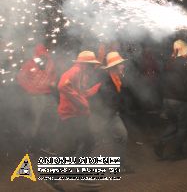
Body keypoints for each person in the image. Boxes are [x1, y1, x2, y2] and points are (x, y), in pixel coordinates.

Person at [46, 51, 101, 191]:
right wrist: (83, 102)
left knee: (81, 144)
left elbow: (79, 92)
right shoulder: (75, 71)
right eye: (91, 64)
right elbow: (62, 86)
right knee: (84, 143)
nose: (93, 67)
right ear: (85, 64)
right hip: (71, 116)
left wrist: (93, 90)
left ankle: (60, 175)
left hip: (75, 115)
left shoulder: (82, 73)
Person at [153, 39, 187, 160]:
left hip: (167, 99)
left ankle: (160, 142)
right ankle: (177, 152)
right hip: (180, 100)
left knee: (173, 125)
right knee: (182, 127)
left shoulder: (169, 62)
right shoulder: (185, 63)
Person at [16, 43, 57, 152]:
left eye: (44, 54)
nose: (42, 56)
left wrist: (52, 81)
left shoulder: (50, 63)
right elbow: (20, 78)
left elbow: (53, 74)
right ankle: (30, 146)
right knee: (36, 121)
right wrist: (30, 89)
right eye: (40, 54)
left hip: (48, 94)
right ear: (36, 54)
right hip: (35, 97)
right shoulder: (29, 64)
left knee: (50, 120)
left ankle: (45, 145)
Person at [97, 51, 132, 173]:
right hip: (106, 115)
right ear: (114, 67)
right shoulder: (107, 81)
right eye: (121, 64)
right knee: (92, 141)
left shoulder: (116, 78)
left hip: (111, 114)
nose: (123, 66)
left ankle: (118, 166)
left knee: (121, 136)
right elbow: (108, 102)